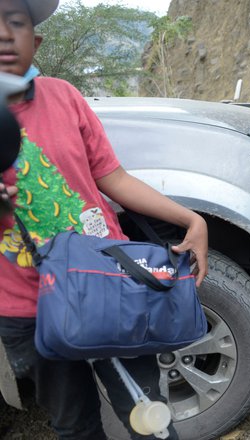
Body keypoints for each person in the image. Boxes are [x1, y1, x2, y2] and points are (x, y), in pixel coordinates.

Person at [0, 1, 209, 438]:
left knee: (149, 416)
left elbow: (111, 175)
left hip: (109, 284)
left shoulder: (64, 96)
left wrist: (191, 219)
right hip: (29, 306)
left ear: (35, 41)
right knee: (74, 426)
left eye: (14, 22)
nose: (3, 33)